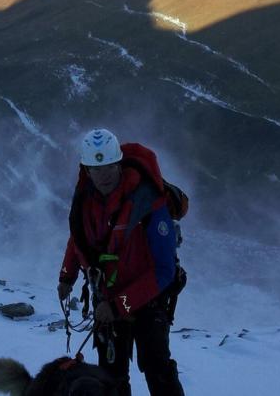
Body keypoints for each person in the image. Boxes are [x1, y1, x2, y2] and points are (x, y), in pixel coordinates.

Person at [57, 129, 187, 396]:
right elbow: (78, 237)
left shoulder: (148, 202)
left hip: (148, 299)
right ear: (86, 169)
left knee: (157, 369)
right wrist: (66, 276)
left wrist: (119, 305)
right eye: (95, 168)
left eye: (108, 167)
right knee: (110, 376)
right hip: (107, 298)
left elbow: (164, 271)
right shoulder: (86, 199)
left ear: (118, 164)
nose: (103, 175)